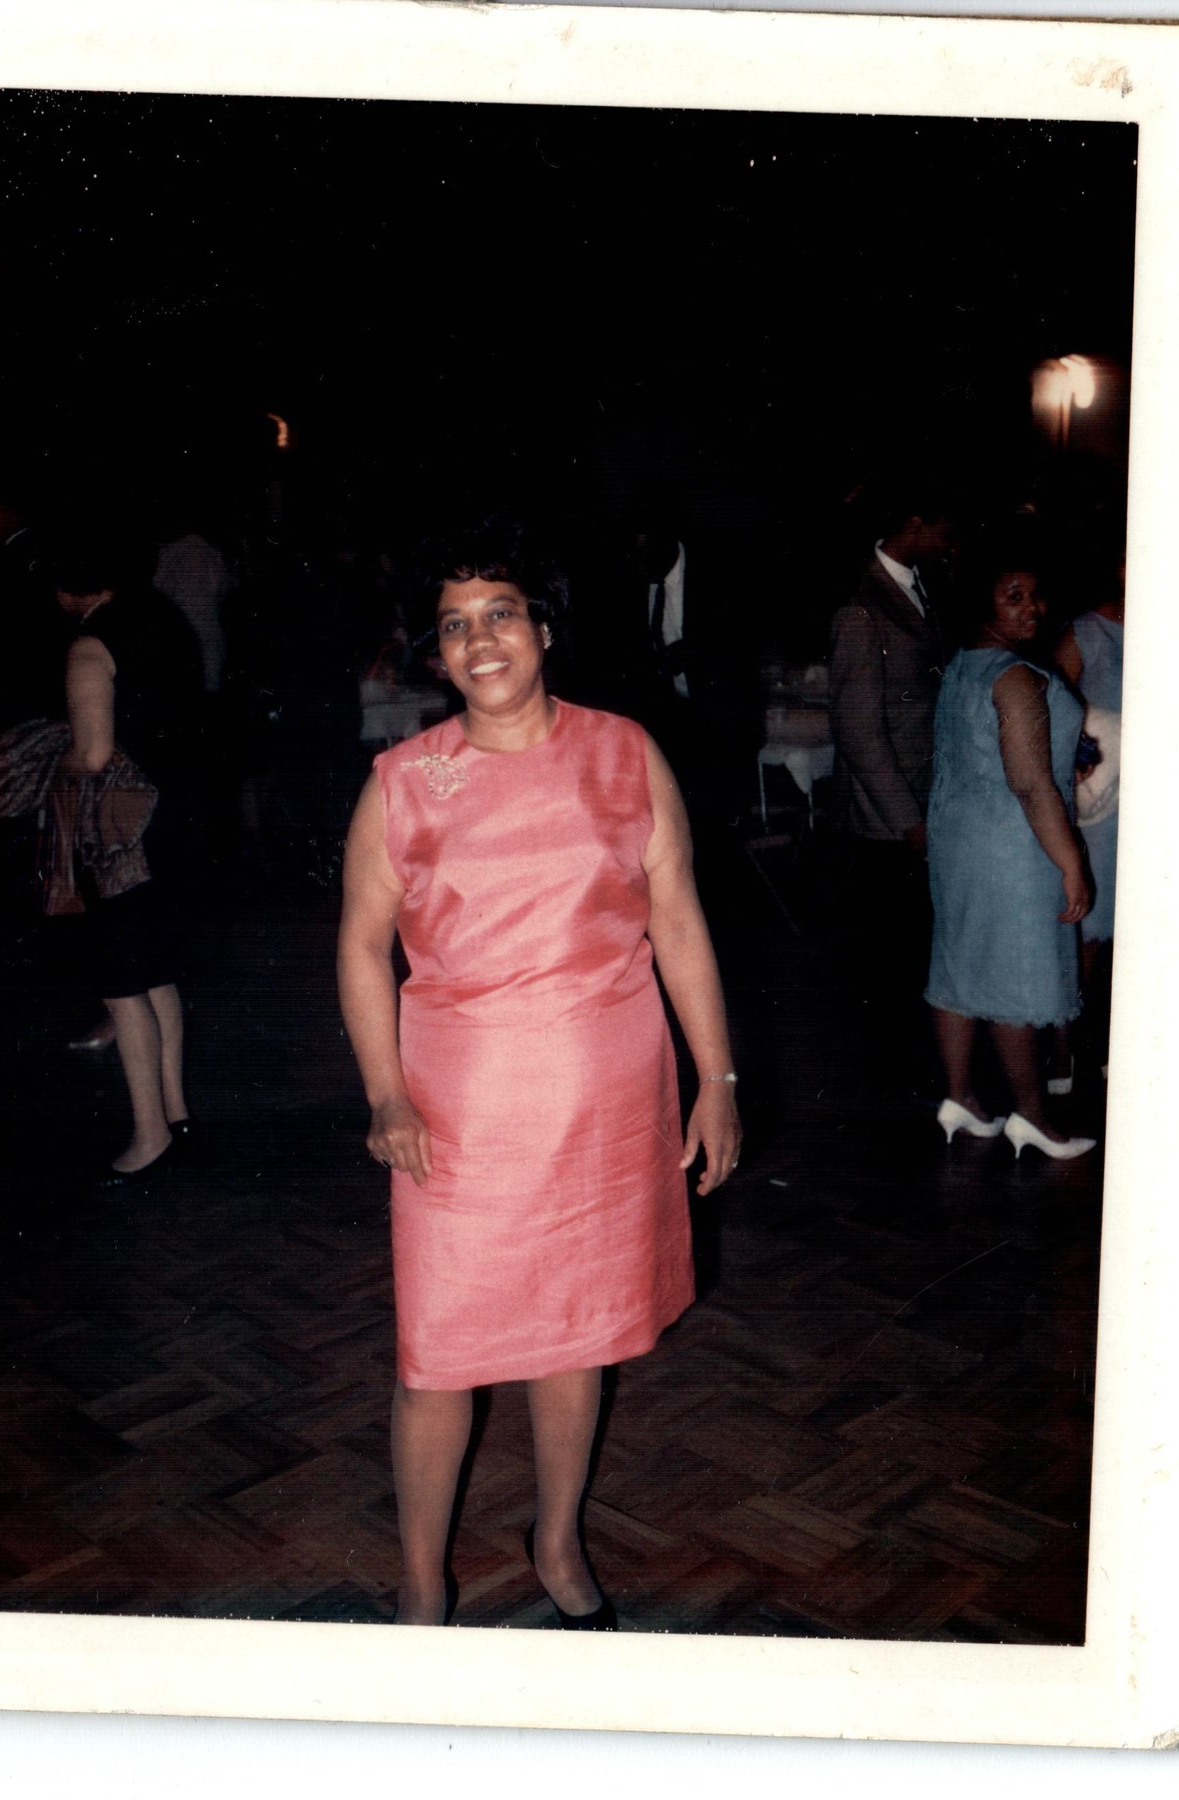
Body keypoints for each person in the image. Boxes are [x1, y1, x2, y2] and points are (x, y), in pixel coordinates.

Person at [336, 515, 742, 1629]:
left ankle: (556, 1537)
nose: (479, 641)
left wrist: (716, 1080)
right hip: (458, 1114)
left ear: (545, 630)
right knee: (438, 1355)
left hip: (607, 1104)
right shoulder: (404, 783)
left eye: (500, 614)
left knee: (576, 1340)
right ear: (437, 654)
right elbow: (359, 948)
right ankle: (423, 1579)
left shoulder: (624, 753)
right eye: (453, 626)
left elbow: (677, 921)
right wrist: (384, 1091)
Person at [924, 563, 1096, 1161]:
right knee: (1014, 973)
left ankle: (961, 1098)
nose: (1033, 608)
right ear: (983, 604)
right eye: (1014, 596)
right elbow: (1028, 783)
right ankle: (1032, 1115)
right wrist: (1070, 862)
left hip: (960, 835)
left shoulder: (963, 664)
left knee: (959, 964)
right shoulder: (1015, 676)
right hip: (1013, 843)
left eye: (1036, 595)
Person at [52, 530, 204, 1183]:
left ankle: (149, 1137)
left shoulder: (90, 643)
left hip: (124, 836)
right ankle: (175, 1114)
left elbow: (91, 754)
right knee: (157, 973)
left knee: (121, 986)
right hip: (176, 820)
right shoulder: (162, 621)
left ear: (67, 590)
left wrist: (44, 763)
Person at [827, 494, 955, 1093]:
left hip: (924, 802)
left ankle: (914, 1076)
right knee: (887, 967)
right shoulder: (862, 607)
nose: (950, 541)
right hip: (886, 821)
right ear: (914, 523)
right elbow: (858, 732)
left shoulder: (920, 587)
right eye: (944, 528)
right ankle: (886, 1092)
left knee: (913, 956)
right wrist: (910, 821)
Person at [1052, 553, 1126, 1083]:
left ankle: (1117, 1046)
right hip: (1101, 804)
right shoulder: (1086, 633)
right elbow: (1053, 713)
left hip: (1150, 797)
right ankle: (1065, 1049)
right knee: (1089, 933)